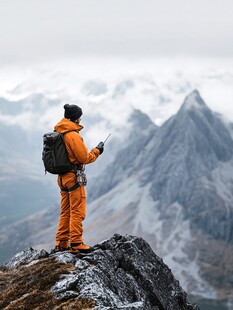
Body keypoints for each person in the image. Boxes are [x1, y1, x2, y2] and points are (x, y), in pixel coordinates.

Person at [52, 104, 104, 254]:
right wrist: (97, 151)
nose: (81, 118)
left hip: (62, 178)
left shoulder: (59, 131)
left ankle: (61, 242)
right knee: (77, 211)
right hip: (73, 178)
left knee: (65, 211)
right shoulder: (72, 134)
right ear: (76, 117)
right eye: (80, 116)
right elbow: (84, 157)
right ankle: (76, 242)